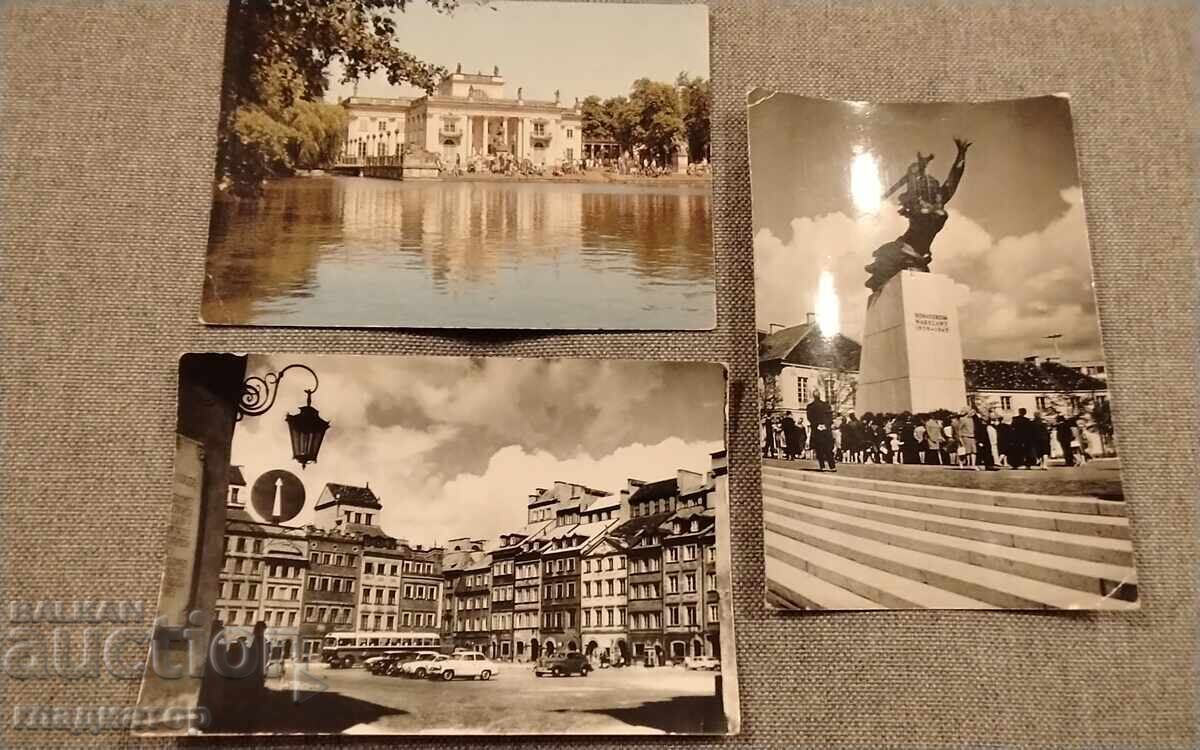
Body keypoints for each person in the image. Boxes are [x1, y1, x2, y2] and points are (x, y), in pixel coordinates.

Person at [806, 392, 836, 471]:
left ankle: (822, 466)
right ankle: (832, 466)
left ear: (813, 396)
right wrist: (826, 425)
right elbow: (830, 417)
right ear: (819, 396)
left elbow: (810, 418)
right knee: (828, 448)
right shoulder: (826, 405)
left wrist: (817, 425)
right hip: (826, 430)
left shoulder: (810, 406)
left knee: (819, 449)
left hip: (817, 430)